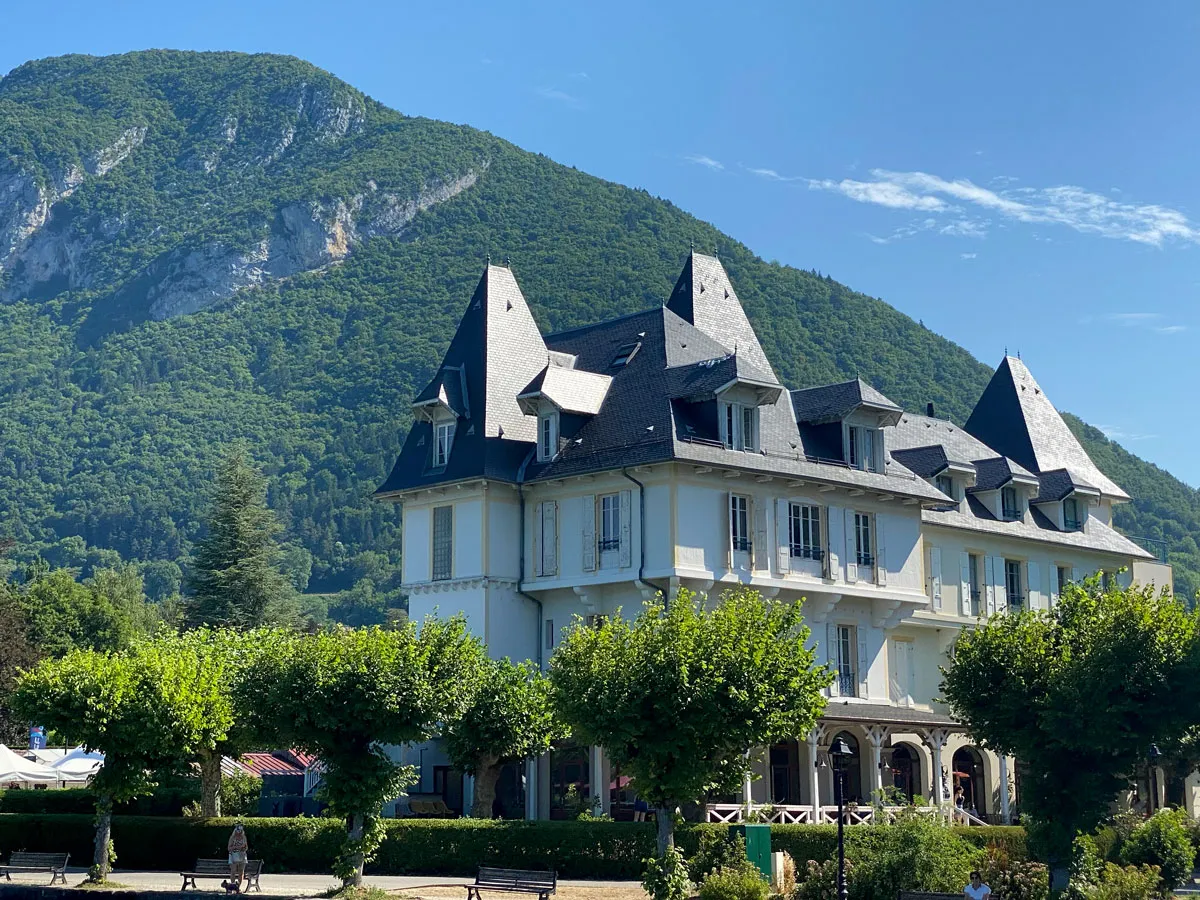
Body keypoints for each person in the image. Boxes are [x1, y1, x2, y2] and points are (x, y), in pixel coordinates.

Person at [226, 822, 249, 894]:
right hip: (234, 855)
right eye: (238, 831)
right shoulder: (232, 837)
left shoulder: (244, 837)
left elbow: (246, 847)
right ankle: (232, 886)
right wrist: (236, 847)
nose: (239, 833)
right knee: (233, 871)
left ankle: (238, 887)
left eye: (240, 831)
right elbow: (229, 848)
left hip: (242, 855)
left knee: (241, 872)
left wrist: (244, 848)